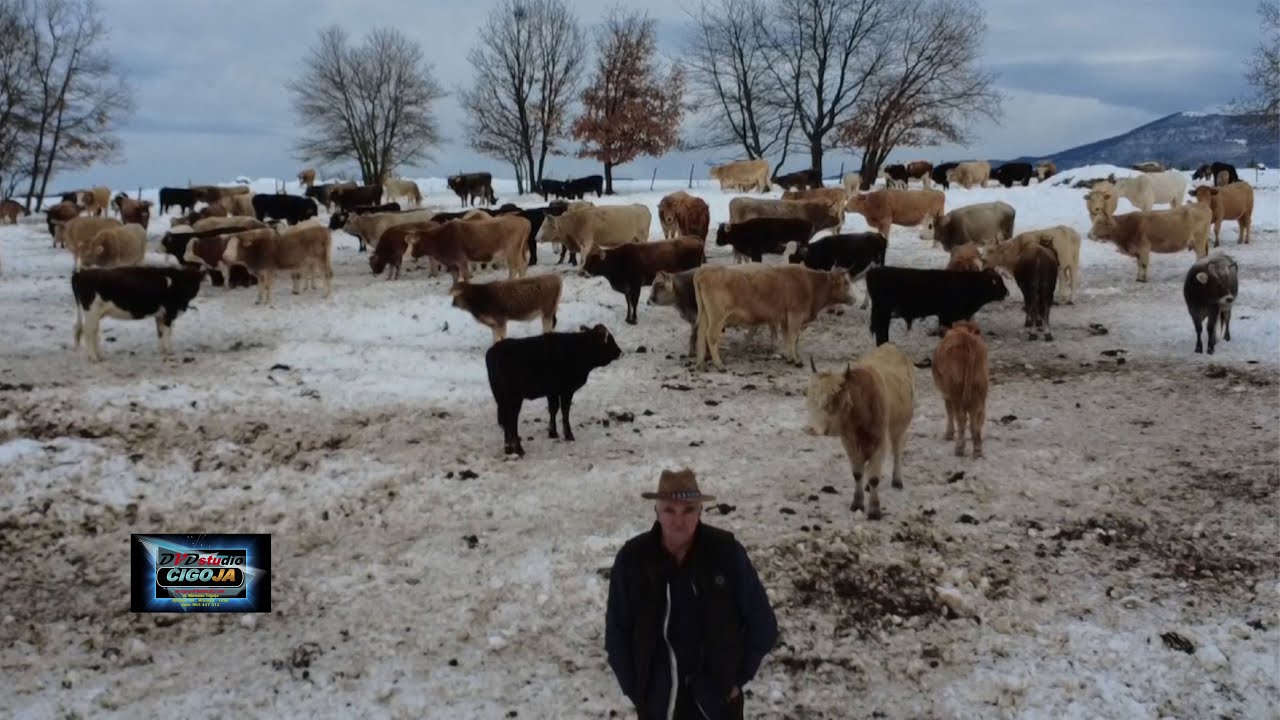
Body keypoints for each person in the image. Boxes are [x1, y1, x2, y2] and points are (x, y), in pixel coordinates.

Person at [605, 468, 779, 720]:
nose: (679, 520)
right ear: (656, 511)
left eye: (688, 510)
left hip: (716, 705)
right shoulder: (633, 559)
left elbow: (763, 623)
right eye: (669, 510)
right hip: (657, 706)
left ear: (700, 511)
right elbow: (616, 632)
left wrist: (735, 680)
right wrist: (637, 691)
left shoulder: (726, 553)